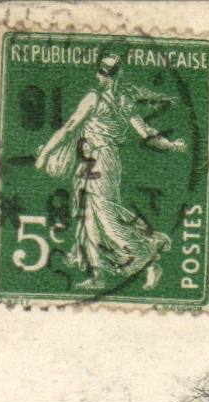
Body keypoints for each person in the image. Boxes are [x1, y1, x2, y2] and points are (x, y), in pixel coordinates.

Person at [33, 52, 185, 290]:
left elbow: (70, 128)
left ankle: (148, 260)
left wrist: (44, 155)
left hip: (101, 162)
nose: (100, 76)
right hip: (94, 162)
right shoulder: (120, 100)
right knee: (89, 219)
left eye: (105, 73)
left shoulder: (101, 99)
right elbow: (146, 132)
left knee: (105, 217)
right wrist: (171, 145)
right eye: (99, 71)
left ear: (115, 75)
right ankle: (98, 275)